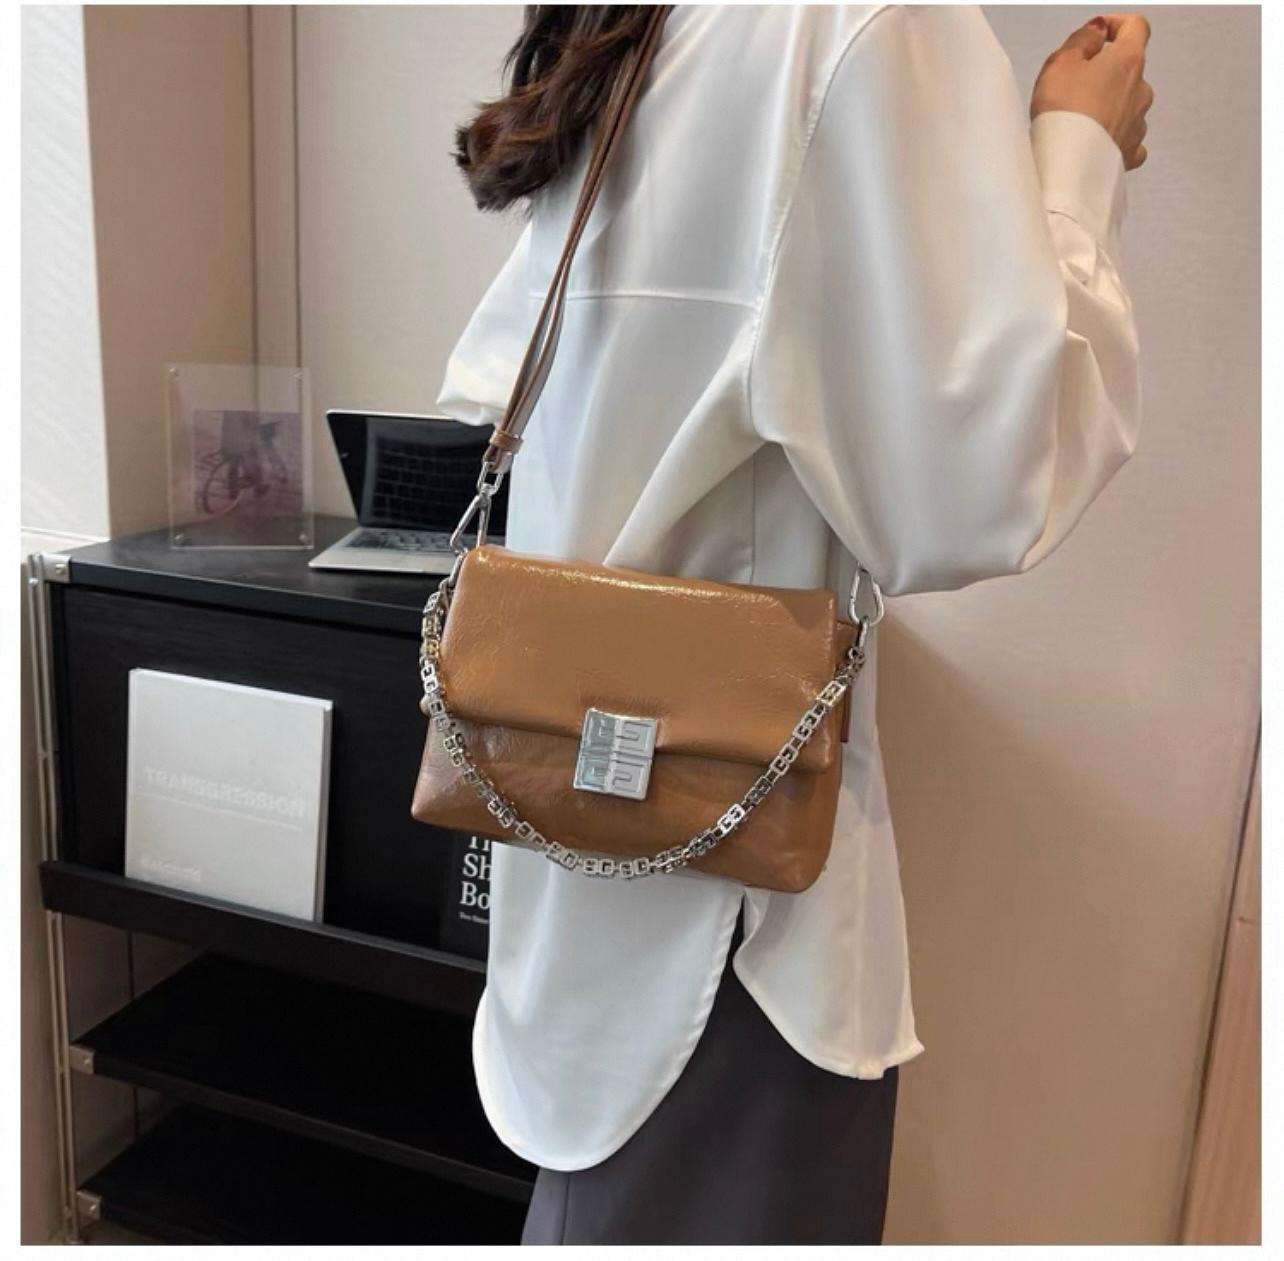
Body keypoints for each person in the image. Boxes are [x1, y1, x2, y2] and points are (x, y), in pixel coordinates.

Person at [436, 4, 1152, 1245]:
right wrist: (1074, 156)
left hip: (589, 891)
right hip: (735, 921)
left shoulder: (661, 23)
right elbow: (978, 485)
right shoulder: (863, 23)